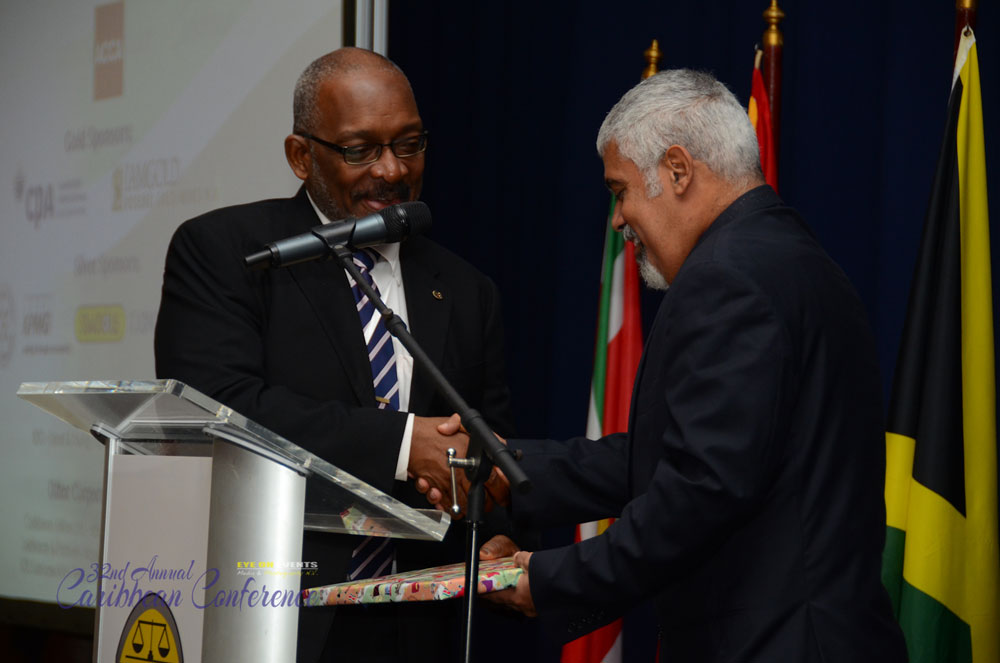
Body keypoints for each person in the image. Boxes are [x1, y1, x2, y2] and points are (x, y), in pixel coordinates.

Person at [428, 69, 908, 661]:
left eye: (620, 190)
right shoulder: (790, 257)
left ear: (678, 170)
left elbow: (701, 489)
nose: (618, 219)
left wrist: (552, 578)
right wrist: (504, 469)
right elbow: (676, 456)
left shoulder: (728, 278)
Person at [154, 47, 519, 662]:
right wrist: (403, 445)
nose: (392, 169)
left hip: (419, 625)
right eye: (360, 150)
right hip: (271, 613)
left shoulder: (465, 288)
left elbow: (488, 439)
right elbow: (218, 407)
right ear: (302, 156)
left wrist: (498, 530)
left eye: (409, 144)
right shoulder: (229, 252)